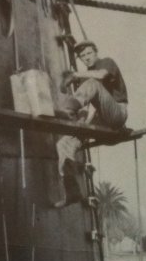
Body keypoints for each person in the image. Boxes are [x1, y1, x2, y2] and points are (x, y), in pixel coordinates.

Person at [54, 39, 130, 207]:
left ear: (95, 52)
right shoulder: (88, 78)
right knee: (64, 144)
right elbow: (88, 106)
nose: (86, 58)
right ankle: (72, 192)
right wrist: (81, 127)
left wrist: (75, 75)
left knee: (92, 83)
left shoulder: (106, 63)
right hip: (101, 118)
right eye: (82, 56)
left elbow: (101, 76)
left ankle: (68, 110)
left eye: (89, 53)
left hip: (117, 113)